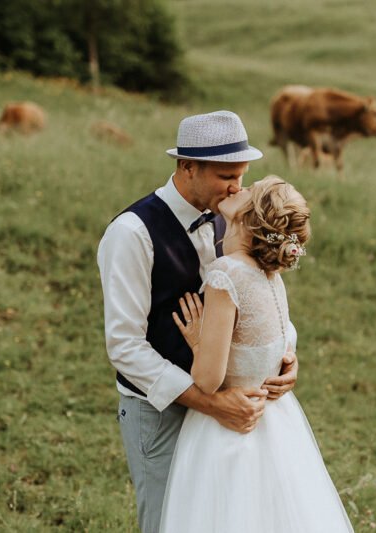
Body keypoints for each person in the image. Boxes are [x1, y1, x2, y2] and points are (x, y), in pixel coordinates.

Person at [97, 111, 299, 533]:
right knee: (169, 521)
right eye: (227, 176)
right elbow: (124, 346)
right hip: (162, 412)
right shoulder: (132, 234)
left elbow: (263, 298)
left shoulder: (237, 217)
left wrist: (285, 356)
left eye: (242, 176)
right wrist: (210, 402)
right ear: (187, 166)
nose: (237, 188)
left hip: (234, 413)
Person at [159, 176, 355, 532]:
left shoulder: (227, 274)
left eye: (248, 189)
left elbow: (208, 379)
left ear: (250, 217)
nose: (238, 187)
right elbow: (278, 345)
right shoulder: (270, 276)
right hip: (276, 423)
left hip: (227, 430)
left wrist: (197, 339)